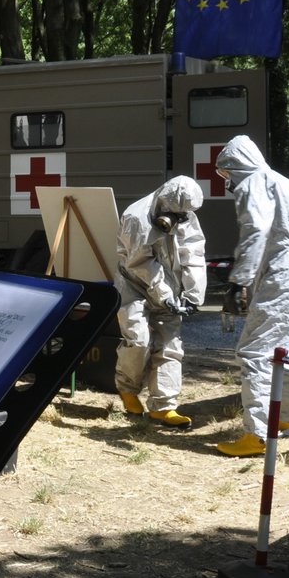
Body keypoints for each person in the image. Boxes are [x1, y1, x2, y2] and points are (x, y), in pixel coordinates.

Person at [211, 136, 289, 456]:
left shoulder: (253, 183)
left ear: (235, 166)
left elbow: (256, 230)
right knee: (282, 351)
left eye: (226, 175)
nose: (228, 183)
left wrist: (238, 281)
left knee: (254, 351)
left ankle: (257, 433)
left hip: (282, 274)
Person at [114, 176, 207, 428]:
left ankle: (164, 407)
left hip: (170, 288)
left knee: (169, 345)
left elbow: (194, 252)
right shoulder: (137, 217)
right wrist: (165, 296)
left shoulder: (185, 213)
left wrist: (193, 294)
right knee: (138, 340)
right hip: (134, 285)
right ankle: (128, 390)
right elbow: (141, 263)